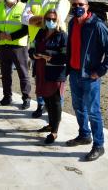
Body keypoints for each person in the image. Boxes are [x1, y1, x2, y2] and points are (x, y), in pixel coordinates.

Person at [66, 0, 108, 161]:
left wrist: (101, 70)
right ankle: (84, 135)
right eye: (74, 5)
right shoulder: (72, 23)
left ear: (87, 6)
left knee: (93, 112)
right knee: (78, 107)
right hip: (74, 74)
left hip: (90, 76)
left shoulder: (97, 25)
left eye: (80, 4)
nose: (77, 7)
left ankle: (98, 145)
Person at [22, 0, 70, 118]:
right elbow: (24, 18)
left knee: (55, 81)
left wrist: (34, 19)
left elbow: (57, 18)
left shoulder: (61, 0)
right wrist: (41, 18)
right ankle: (40, 105)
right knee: (39, 78)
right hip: (37, 43)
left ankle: (55, 113)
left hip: (55, 45)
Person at [29, 9, 67, 144]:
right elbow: (32, 46)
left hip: (55, 73)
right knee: (46, 99)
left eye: (53, 19)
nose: (50, 21)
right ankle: (50, 124)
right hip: (41, 70)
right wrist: (33, 54)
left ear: (58, 21)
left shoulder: (62, 36)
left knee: (55, 101)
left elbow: (64, 55)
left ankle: (54, 131)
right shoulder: (41, 32)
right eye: (48, 19)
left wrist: (49, 56)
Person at [0, 0, 31, 109]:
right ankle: (7, 97)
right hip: (3, 46)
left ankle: (26, 98)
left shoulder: (24, 8)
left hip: (18, 47)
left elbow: (27, 28)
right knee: (5, 74)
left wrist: (12, 36)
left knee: (23, 73)